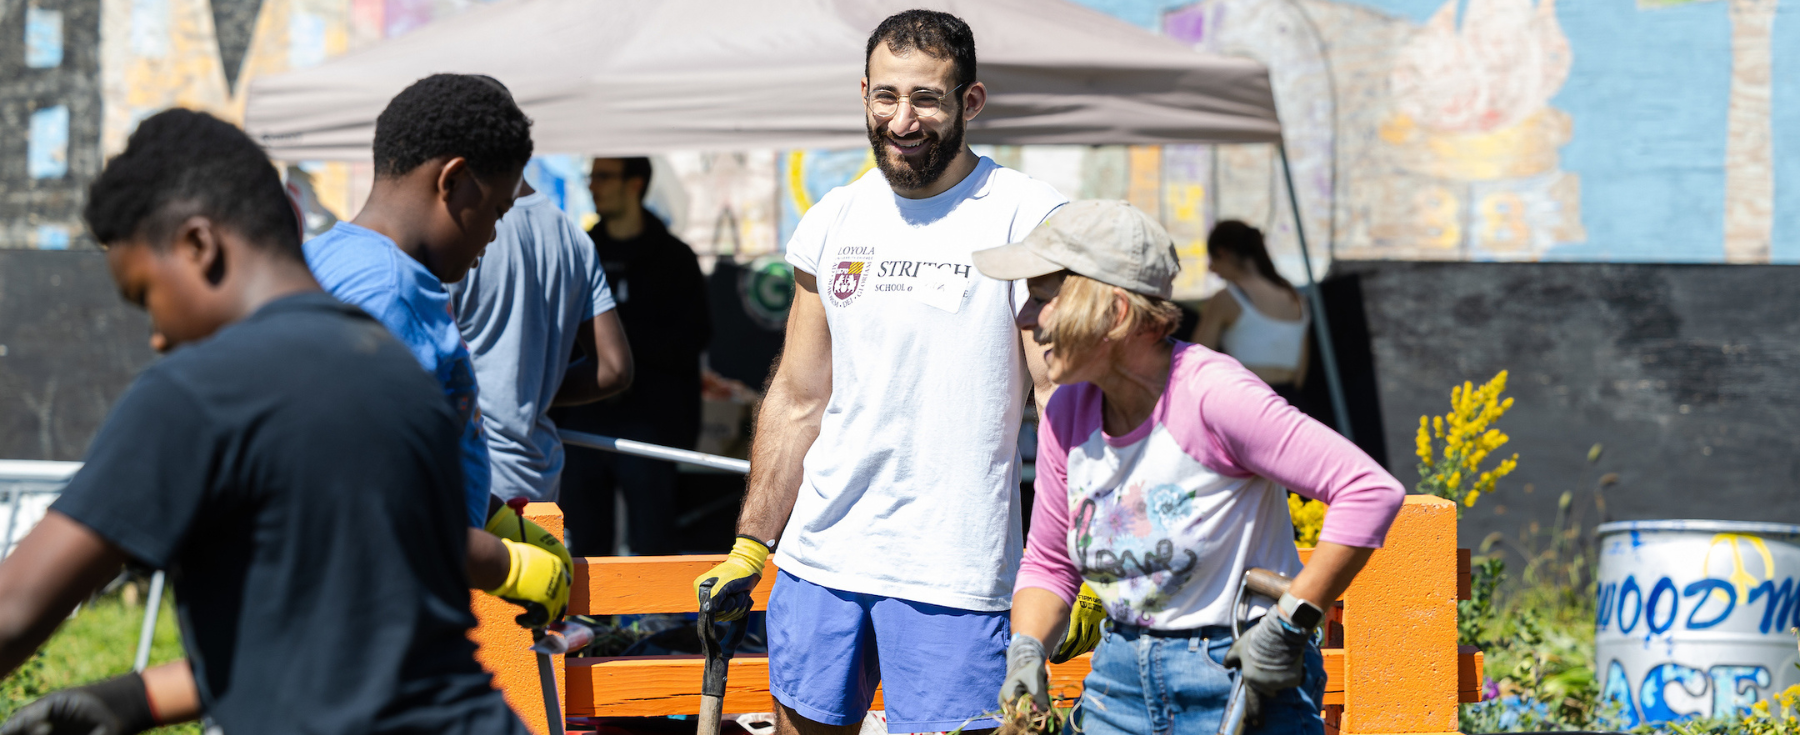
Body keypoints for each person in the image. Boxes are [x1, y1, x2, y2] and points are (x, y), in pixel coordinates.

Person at [0, 109, 525, 735]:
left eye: (148, 296)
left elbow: (13, 609)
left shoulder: (202, 390)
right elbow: (342, 630)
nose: (159, 337)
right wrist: (138, 699)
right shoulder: (398, 369)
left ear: (199, 245)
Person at [689, 11, 1094, 734]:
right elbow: (798, 395)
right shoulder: (836, 217)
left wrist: (1076, 557)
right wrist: (752, 542)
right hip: (821, 557)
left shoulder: (1027, 218)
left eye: (927, 99)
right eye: (886, 97)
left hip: (956, 574)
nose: (902, 120)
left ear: (970, 102)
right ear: (866, 93)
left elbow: (1062, 398)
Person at [974, 200, 1405, 735]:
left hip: (1239, 677)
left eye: (1041, 298)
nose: (1023, 317)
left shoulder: (1212, 394)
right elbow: (1048, 562)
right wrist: (1026, 651)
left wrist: (1291, 624)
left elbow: (1369, 491)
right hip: (1117, 683)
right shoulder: (1068, 411)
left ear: (1116, 311)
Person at [303, 73, 568, 626]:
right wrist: (504, 564)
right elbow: (361, 495)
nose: (493, 236)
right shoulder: (389, 294)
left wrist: (493, 516)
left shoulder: (328, 259)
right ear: (453, 181)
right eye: (496, 211)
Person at [551, 157, 709, 557]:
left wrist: (622, 333)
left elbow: (692, 339)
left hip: (651, 424)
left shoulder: (674, 258)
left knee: (653, 542)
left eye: (603, 177)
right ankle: (591, 621)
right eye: (592, 177)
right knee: (584, 544)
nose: (592, 186)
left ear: (635, 183)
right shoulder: (580, 252)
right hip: (583, 421)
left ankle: (657, 621)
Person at [449, 178, 634, 504]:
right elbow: (614, 368)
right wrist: (528, 391)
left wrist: (517, 390)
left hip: (471, 477)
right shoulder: (572, 235)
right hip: (536, 477)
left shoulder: (459, 230)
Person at [1190, 221, 1311, 404]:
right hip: (1290, 403)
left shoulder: (1227, 298)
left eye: (1212, 260)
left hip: (1248, 403)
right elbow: (1300, 372)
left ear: (1223, 253)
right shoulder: (1296, 299)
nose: (1211, 269)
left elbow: (1195, 361)